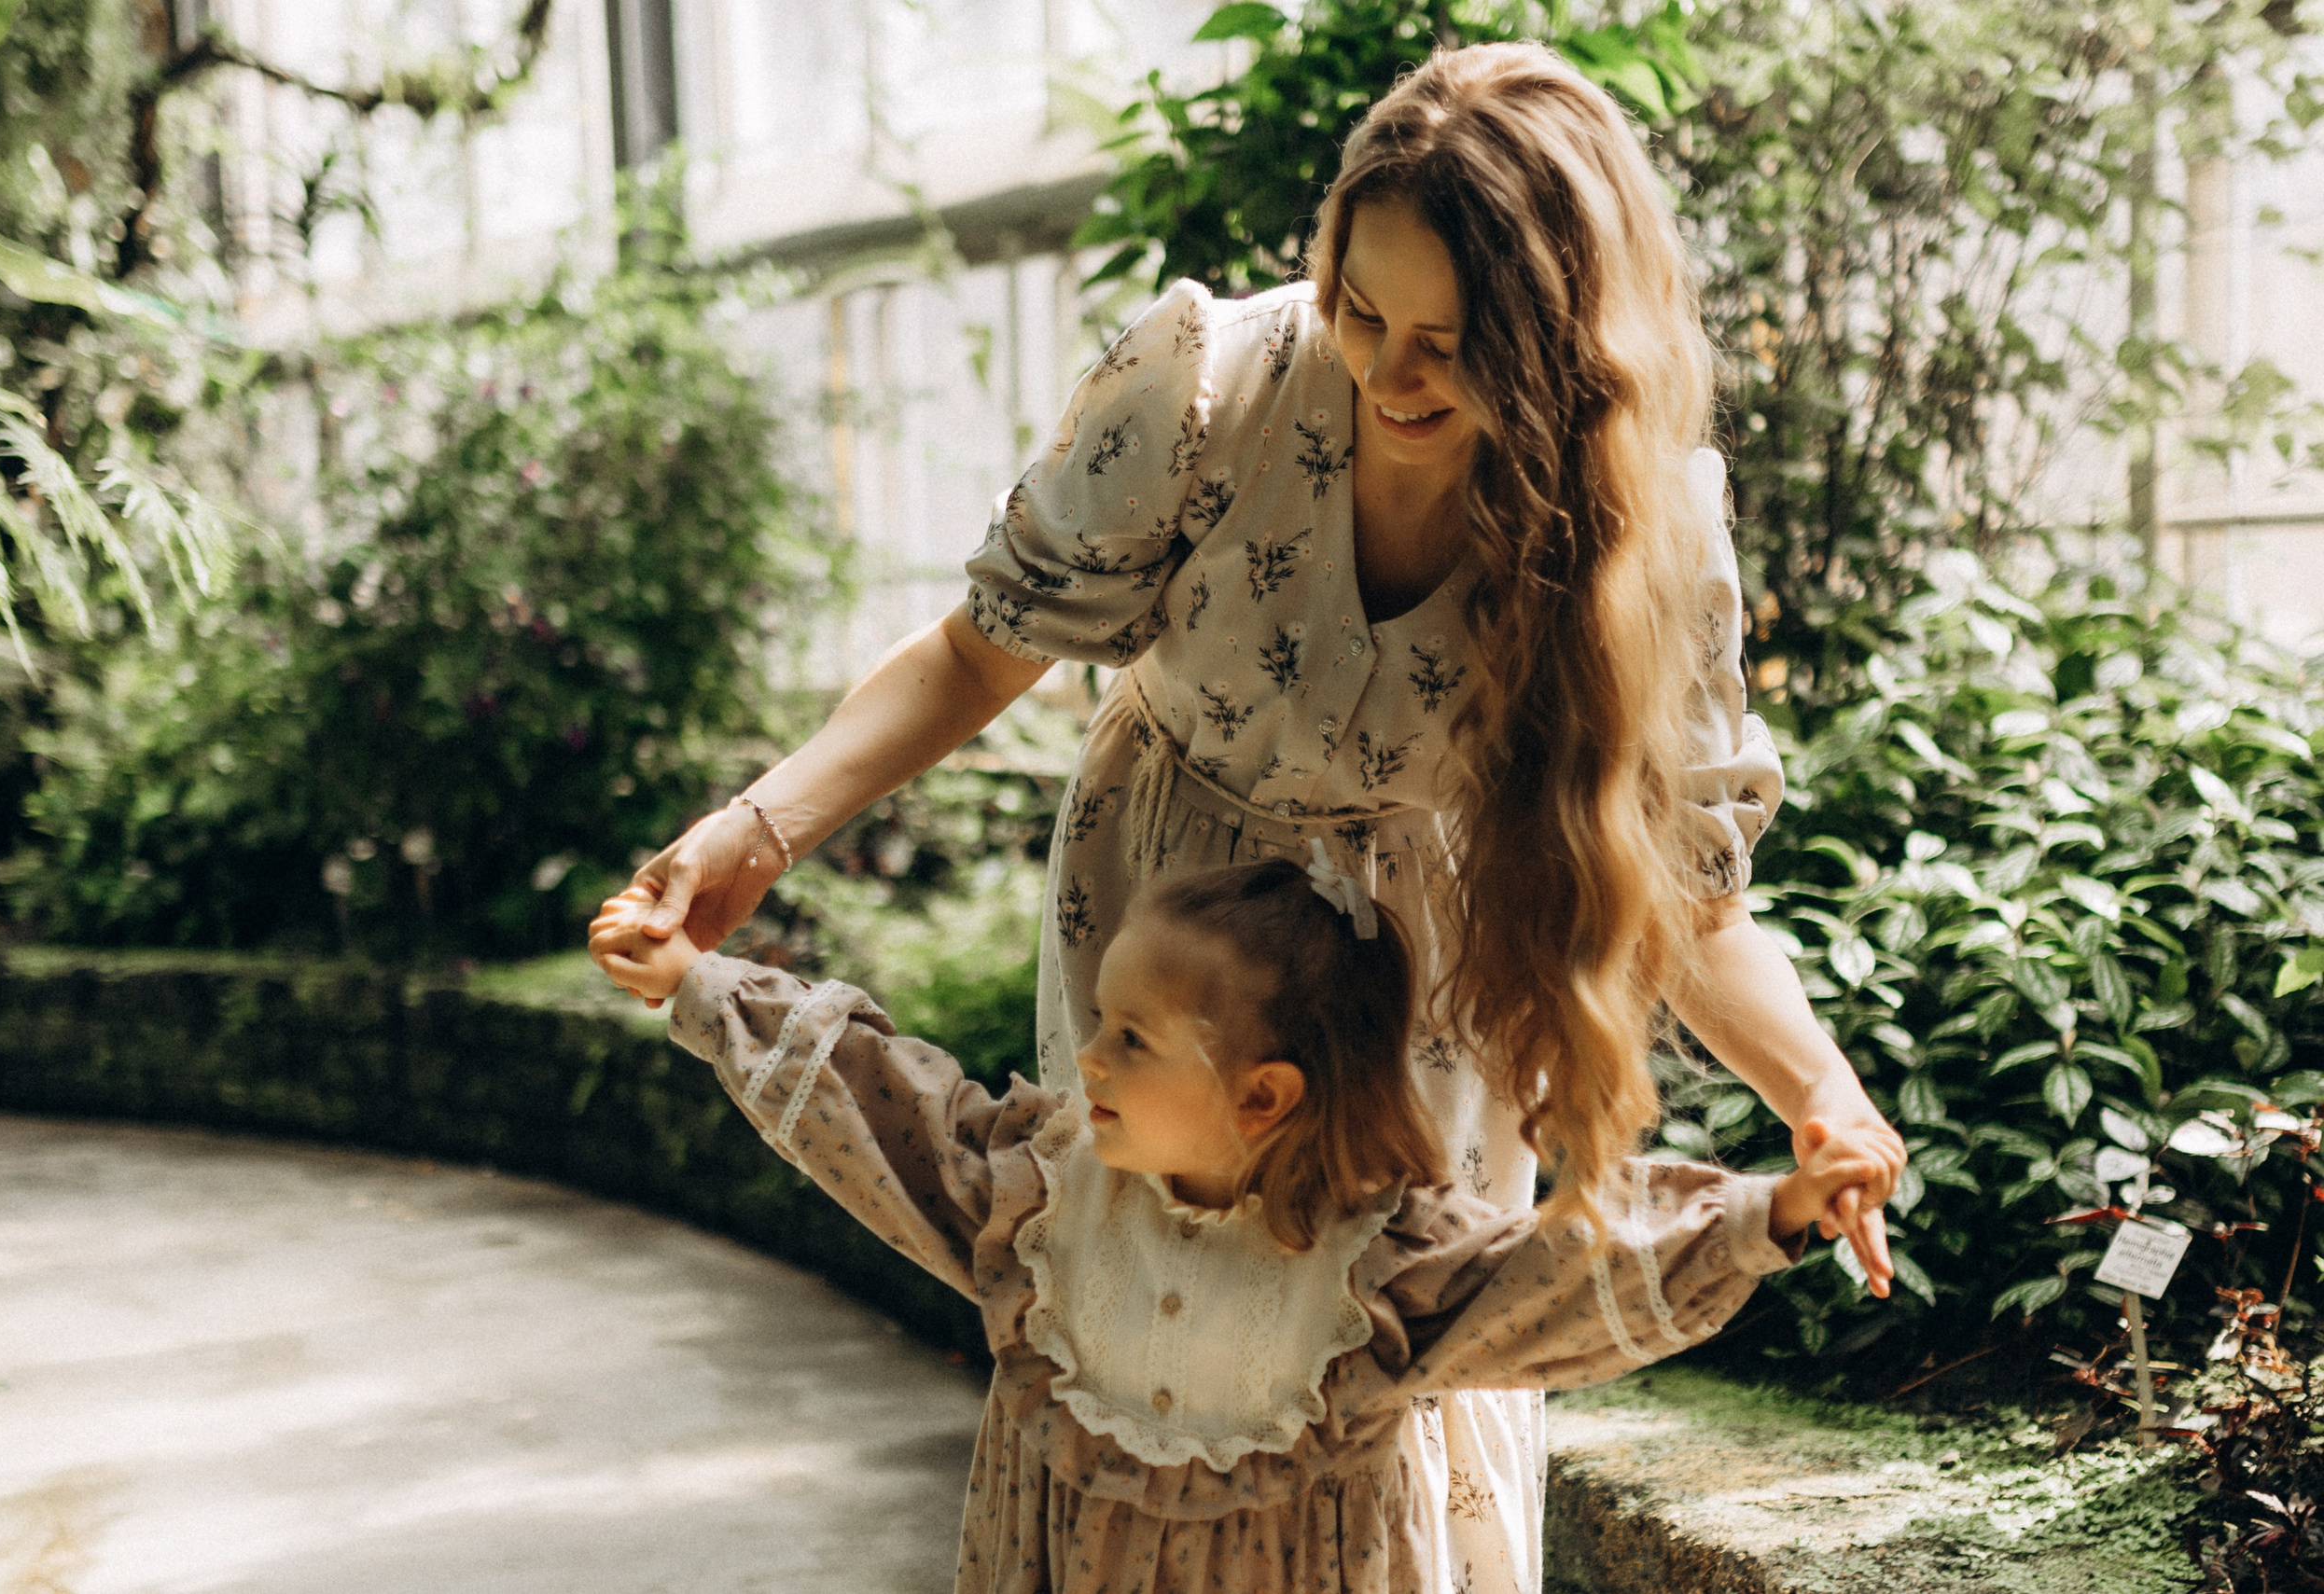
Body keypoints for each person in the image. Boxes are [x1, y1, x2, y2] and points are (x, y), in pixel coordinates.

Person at [604, 41, 1906, 1591]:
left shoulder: (1639, 521)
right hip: (1170, 928)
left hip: (1415, 990)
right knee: (1139, 1305)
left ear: (1563, 344)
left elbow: (1688, 892)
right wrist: (755, 831)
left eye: (1449, 340)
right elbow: (977, 649)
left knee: (1394, 1356)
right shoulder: (1209, 390)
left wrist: (1822, 1095)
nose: (1386, 372)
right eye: (1362, 310)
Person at [591, 855, 1880, 1594]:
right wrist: (703, 985)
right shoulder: (1040, 1205)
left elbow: (1564, 1273)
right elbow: (879, 1107)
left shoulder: (1376, 1270)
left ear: (1262, 1096)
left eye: (1131, 1037)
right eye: (1100, 1022)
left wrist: (1774, 1210)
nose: (1084, 1055)